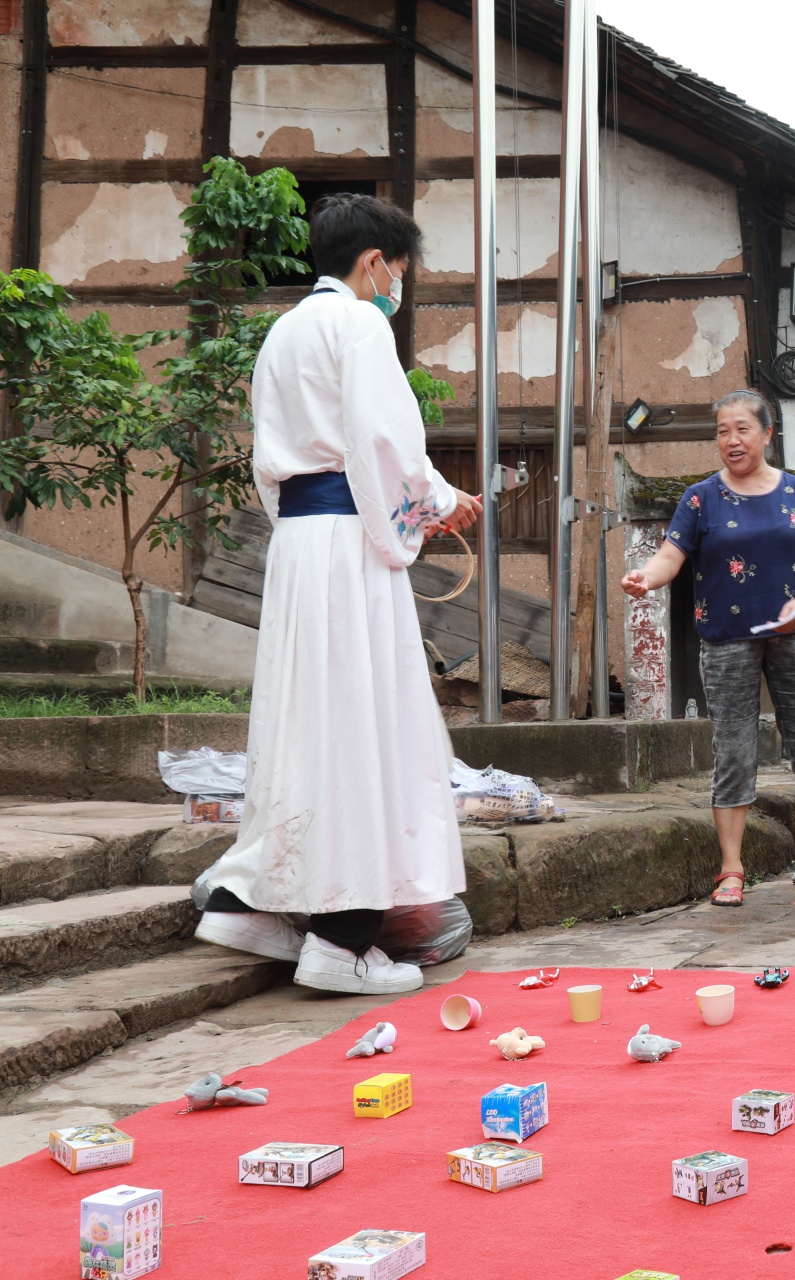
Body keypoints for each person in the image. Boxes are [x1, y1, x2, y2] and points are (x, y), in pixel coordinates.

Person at [195, 194, 480, 995]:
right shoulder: (360, 324)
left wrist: (412, 496)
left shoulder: (281, 333)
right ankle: (342, 942)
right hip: (350, 545)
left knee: (303, 724)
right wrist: (438, 501)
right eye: (398, 271)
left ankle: (256, 900)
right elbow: (384, 441)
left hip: (299, 544)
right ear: (374, 264)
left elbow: (271, 462)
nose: (398, 285)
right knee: (363, 726)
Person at [622, 390, 795, 903]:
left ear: (768, 434)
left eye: (743, 429)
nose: (732, 440)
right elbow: (670, 557)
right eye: (723, 431)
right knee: (734, 752)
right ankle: (730, 869)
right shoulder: (700, 498)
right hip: (725, 641)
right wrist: (645, 578)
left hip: (792, 637)